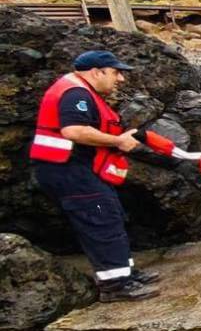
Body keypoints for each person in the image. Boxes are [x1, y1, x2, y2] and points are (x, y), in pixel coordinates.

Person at [30, 51, 158, 302]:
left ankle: (125, 273)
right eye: (115, 72)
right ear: (96, 72)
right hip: (67, 170)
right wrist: (117, 141)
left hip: (78, 168)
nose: (120, 79)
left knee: (110, 214)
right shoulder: (75, 94)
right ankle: (115, 286)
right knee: (100, 220)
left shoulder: (78, 90)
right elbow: (74, 130)